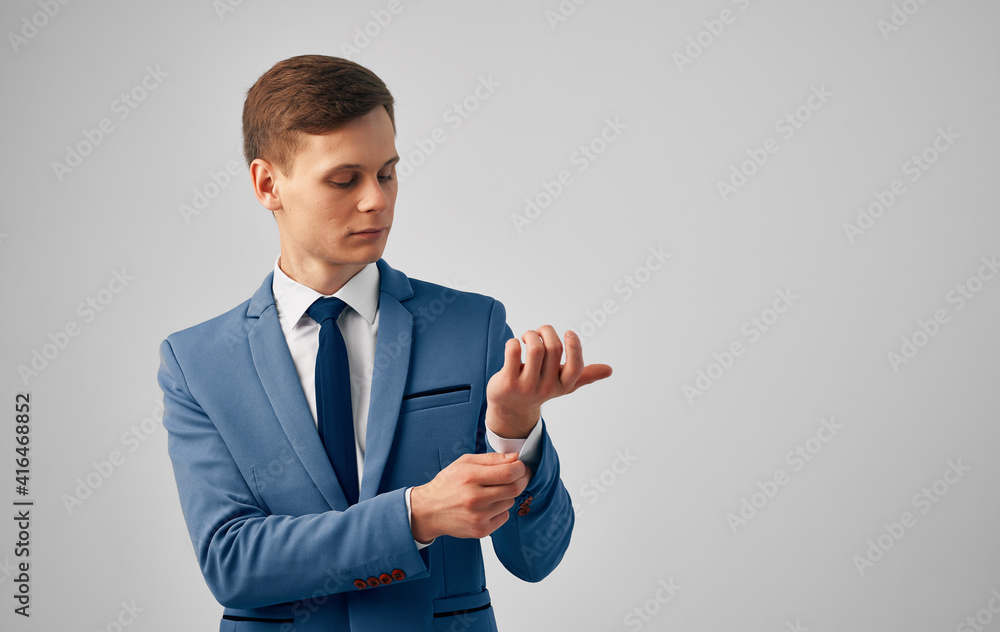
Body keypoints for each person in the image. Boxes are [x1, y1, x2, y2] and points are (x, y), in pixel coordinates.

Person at [158, 54, 611, 631]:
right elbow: (233, 564)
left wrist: (514, 429)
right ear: (268, 184)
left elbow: (536, 557)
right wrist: (416, 515)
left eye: (387, 173)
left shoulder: (471, 327)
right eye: (345, 179)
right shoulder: (196, 362)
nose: (377, 199)